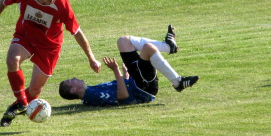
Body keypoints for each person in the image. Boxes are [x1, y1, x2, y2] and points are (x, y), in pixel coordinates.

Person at [0, 0, 101, 126]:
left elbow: (77, 32)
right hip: (26, 37)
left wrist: (91, 58)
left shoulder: (62, 3)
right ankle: (21, 102)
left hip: (49, 47)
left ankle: (14, 107)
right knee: (12, 60)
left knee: (34, 90)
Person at [59, 25, 199, 106]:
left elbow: (118, 89)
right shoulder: (92, 96)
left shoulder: (90, 91)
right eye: (71, 80)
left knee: (123, 41)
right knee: (148, 48)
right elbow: (123, 95)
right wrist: (115, 70)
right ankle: (178, 82)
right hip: (142, 88)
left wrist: (125, 74)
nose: (75, 78)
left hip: (134, 81)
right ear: (73, 90)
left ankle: (168, 47)